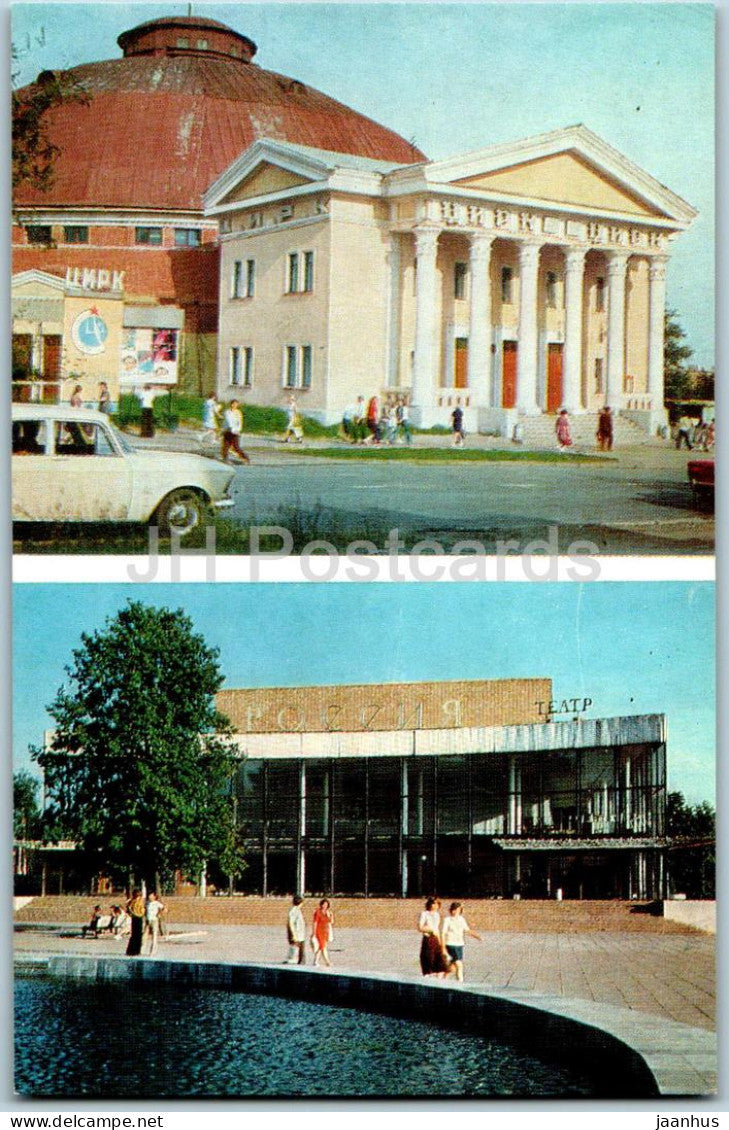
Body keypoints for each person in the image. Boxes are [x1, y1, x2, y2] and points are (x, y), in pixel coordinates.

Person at [440, 901, 482, 983]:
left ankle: (443, 980)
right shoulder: (447, 920)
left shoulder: (461, 919)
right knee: (459, 965)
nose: (455, 912)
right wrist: (443, 946)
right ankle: (460, 983)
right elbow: (443, 933)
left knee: (452, 967)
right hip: (450, 944)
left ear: (460, 910)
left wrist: (476, 936)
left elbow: (466, 930)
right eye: (454, 909)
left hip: (459, 944)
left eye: (457, 910)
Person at [418, 896, 451, 978]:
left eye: (437, 904)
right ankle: (427, 975)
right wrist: (430, 930)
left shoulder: (437, 915)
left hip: (436, 939)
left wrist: (441, 943)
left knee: (440, 961)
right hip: (428, 938)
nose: (435, 906)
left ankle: (439, 980)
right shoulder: (424, 914)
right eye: (433, 904)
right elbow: (420, 927)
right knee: (428, 959)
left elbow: (437, 928)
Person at [221, 399, 251, 464]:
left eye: (236, 404)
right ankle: (225, 458)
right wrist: (224, 429)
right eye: (233, 404)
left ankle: (245, 458)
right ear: (231, 404)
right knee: (225, 446)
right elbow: (227, 421)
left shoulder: (238, 412)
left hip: (235, 432)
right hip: (227, 431)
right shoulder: (227, 412)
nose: (234, 405)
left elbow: (239, 422)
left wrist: (238, 430)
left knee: (236, 447)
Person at [311, 898, 334, 967]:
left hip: (326, 931)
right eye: (324, 904)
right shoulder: (318, 912)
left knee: (323, 947)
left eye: (326, 905)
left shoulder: (328, 912)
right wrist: (314, 933)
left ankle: (327, 962)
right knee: (322, 946)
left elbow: (331, 922)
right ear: (321, 904)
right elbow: (315, 922)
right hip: (319, 931)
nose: (325, 906)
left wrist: (331, 916)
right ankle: (316, 961)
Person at [285, 895, 307, 964]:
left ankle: (301, 961)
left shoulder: (297, 910)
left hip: (300, 933)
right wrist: (294, 935)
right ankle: (293, 959)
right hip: (296, 933)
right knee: (295, 947)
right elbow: (291, 923)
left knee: (300, 948)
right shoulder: (293, 911)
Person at [125, 889, 146, 956]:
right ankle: (131, 950)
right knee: (134, 935)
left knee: (138, 935)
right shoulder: (132, 901)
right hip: (134, 918)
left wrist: (135, 913)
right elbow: (128, 908)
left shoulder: (141, 901)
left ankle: (137, 950)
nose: (137, 896)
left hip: (139, 918)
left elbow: (142, 911)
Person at [145, 891, 166, 956]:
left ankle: (153, 951)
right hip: (148, 920)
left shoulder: (157, 903)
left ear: (154, 897)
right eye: (149, 896)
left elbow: (164, 908)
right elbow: (144, 910)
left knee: (154, 936)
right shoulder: (147, 903)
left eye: (151, 896)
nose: (149, 897)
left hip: (154, 920)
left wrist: (159, 914)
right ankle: (142, 949)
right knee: (144, 935)